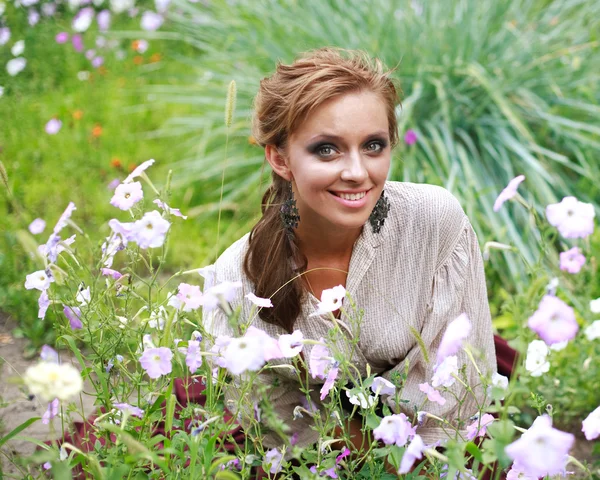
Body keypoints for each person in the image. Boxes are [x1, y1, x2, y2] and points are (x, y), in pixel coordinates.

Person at [202, 47, 500, 455]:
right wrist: (359, 450)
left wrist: (407, 457)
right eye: (327, 149)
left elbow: (462, 394)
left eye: (374, 146)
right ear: (280, 158)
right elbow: (272, 426)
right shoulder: (236, 280)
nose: (358, 173)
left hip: (433, 450)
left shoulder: (434, 222)